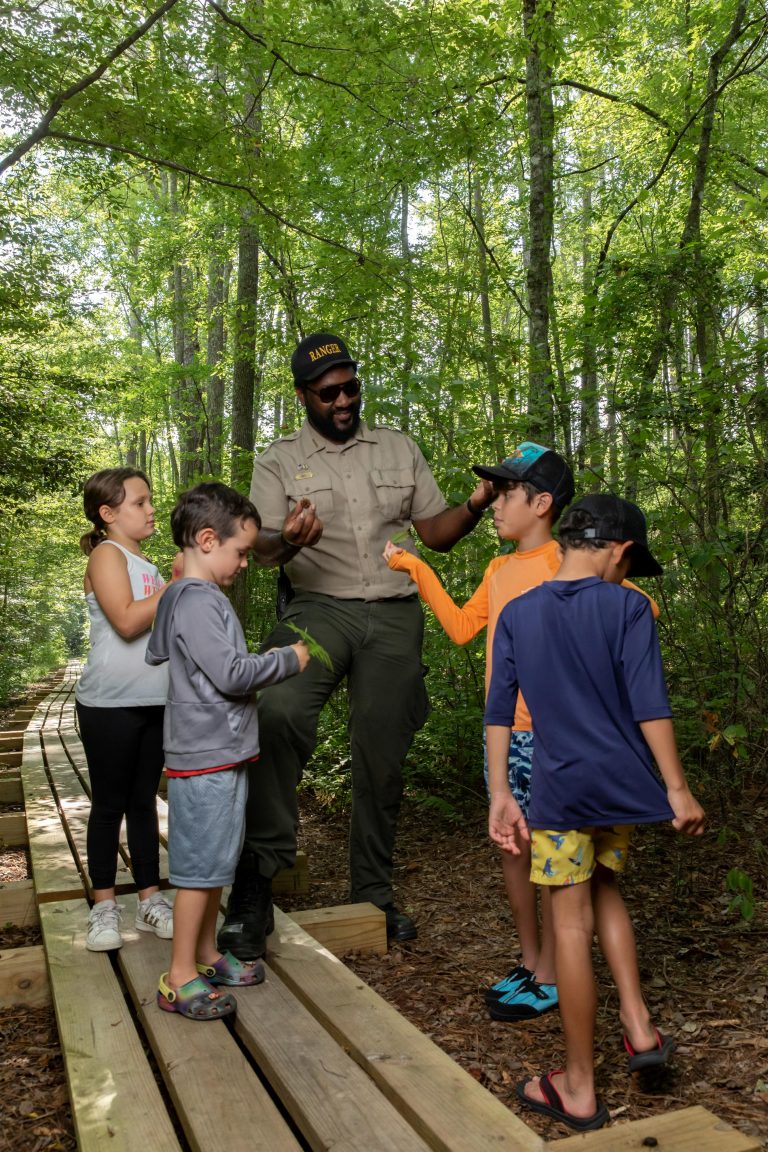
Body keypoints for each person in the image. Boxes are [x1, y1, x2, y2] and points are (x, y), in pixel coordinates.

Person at [217, 331, 494, 957]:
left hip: (395, 614)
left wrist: (475, 505)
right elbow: (261, 553)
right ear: (303, 396)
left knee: (383, 747)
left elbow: (437, 533)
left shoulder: (397, 447)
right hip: (318, 608)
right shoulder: (278, 460)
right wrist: (289, 538)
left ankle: (372, 892)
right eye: (328, 392)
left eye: (350, 387)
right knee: (276, 710)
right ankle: (257, 883)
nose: (343, 400)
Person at [485, 493, 705, 1131]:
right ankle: (637, 1026)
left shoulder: (519, 614)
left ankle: (577, 1087)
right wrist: (676, 788)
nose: (627, 575)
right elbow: (649, 703)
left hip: (560, 794)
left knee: (570, 925)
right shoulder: (630, 607)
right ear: (618, 550)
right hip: (618, 790)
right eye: (629, 563)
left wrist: (502, 791)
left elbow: (501, 710)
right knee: (604, 888)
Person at [385, 442, 574, 1021]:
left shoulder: (569, 564)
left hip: (554, 740)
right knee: (513, 851)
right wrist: (418, 567)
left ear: (541, 503)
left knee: (550, 856)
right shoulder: (498, 569)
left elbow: (633, 608)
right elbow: (464, 628)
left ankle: (553, 974)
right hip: (506, 738)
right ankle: (531, 960)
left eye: (504, 493)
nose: (491, 503)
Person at [146, 482, 309, 1020]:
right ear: (207, 539)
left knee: (216, 863)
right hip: (206, 756)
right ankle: (179, 976)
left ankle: (207, 953)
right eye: (240, 552)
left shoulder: (193, 597)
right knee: (198, 870)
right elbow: (231, 674)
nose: (244, 562)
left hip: (220, 752)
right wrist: (287, 659)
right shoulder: (194, 601)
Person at [75, 467, 175, 951]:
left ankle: (151, 900)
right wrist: (178, 584)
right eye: (140, 502)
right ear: (108, 514)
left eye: (150, 500)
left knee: (143, 805)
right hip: (109, 704)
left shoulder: (149, 566)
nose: (151, 508)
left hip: (154, 701)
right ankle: (104, 908)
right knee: (109, 804)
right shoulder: (105, 555)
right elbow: (129, 622)